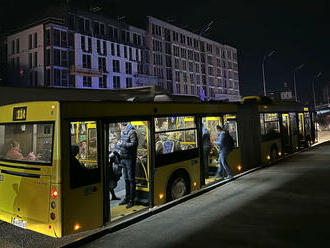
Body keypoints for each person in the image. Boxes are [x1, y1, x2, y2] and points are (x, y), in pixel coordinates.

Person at [117, 122, 138, 209]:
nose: (119, 127)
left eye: (119, 125)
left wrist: (122, 144)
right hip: (123, 158)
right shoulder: (123, 132)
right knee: (126, 179)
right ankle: (126, 197)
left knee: (131, 180)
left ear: (122, 125)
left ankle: (132, 200)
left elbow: (134, 144)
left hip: (130, 159)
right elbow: (122, 142)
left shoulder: (132, 132)